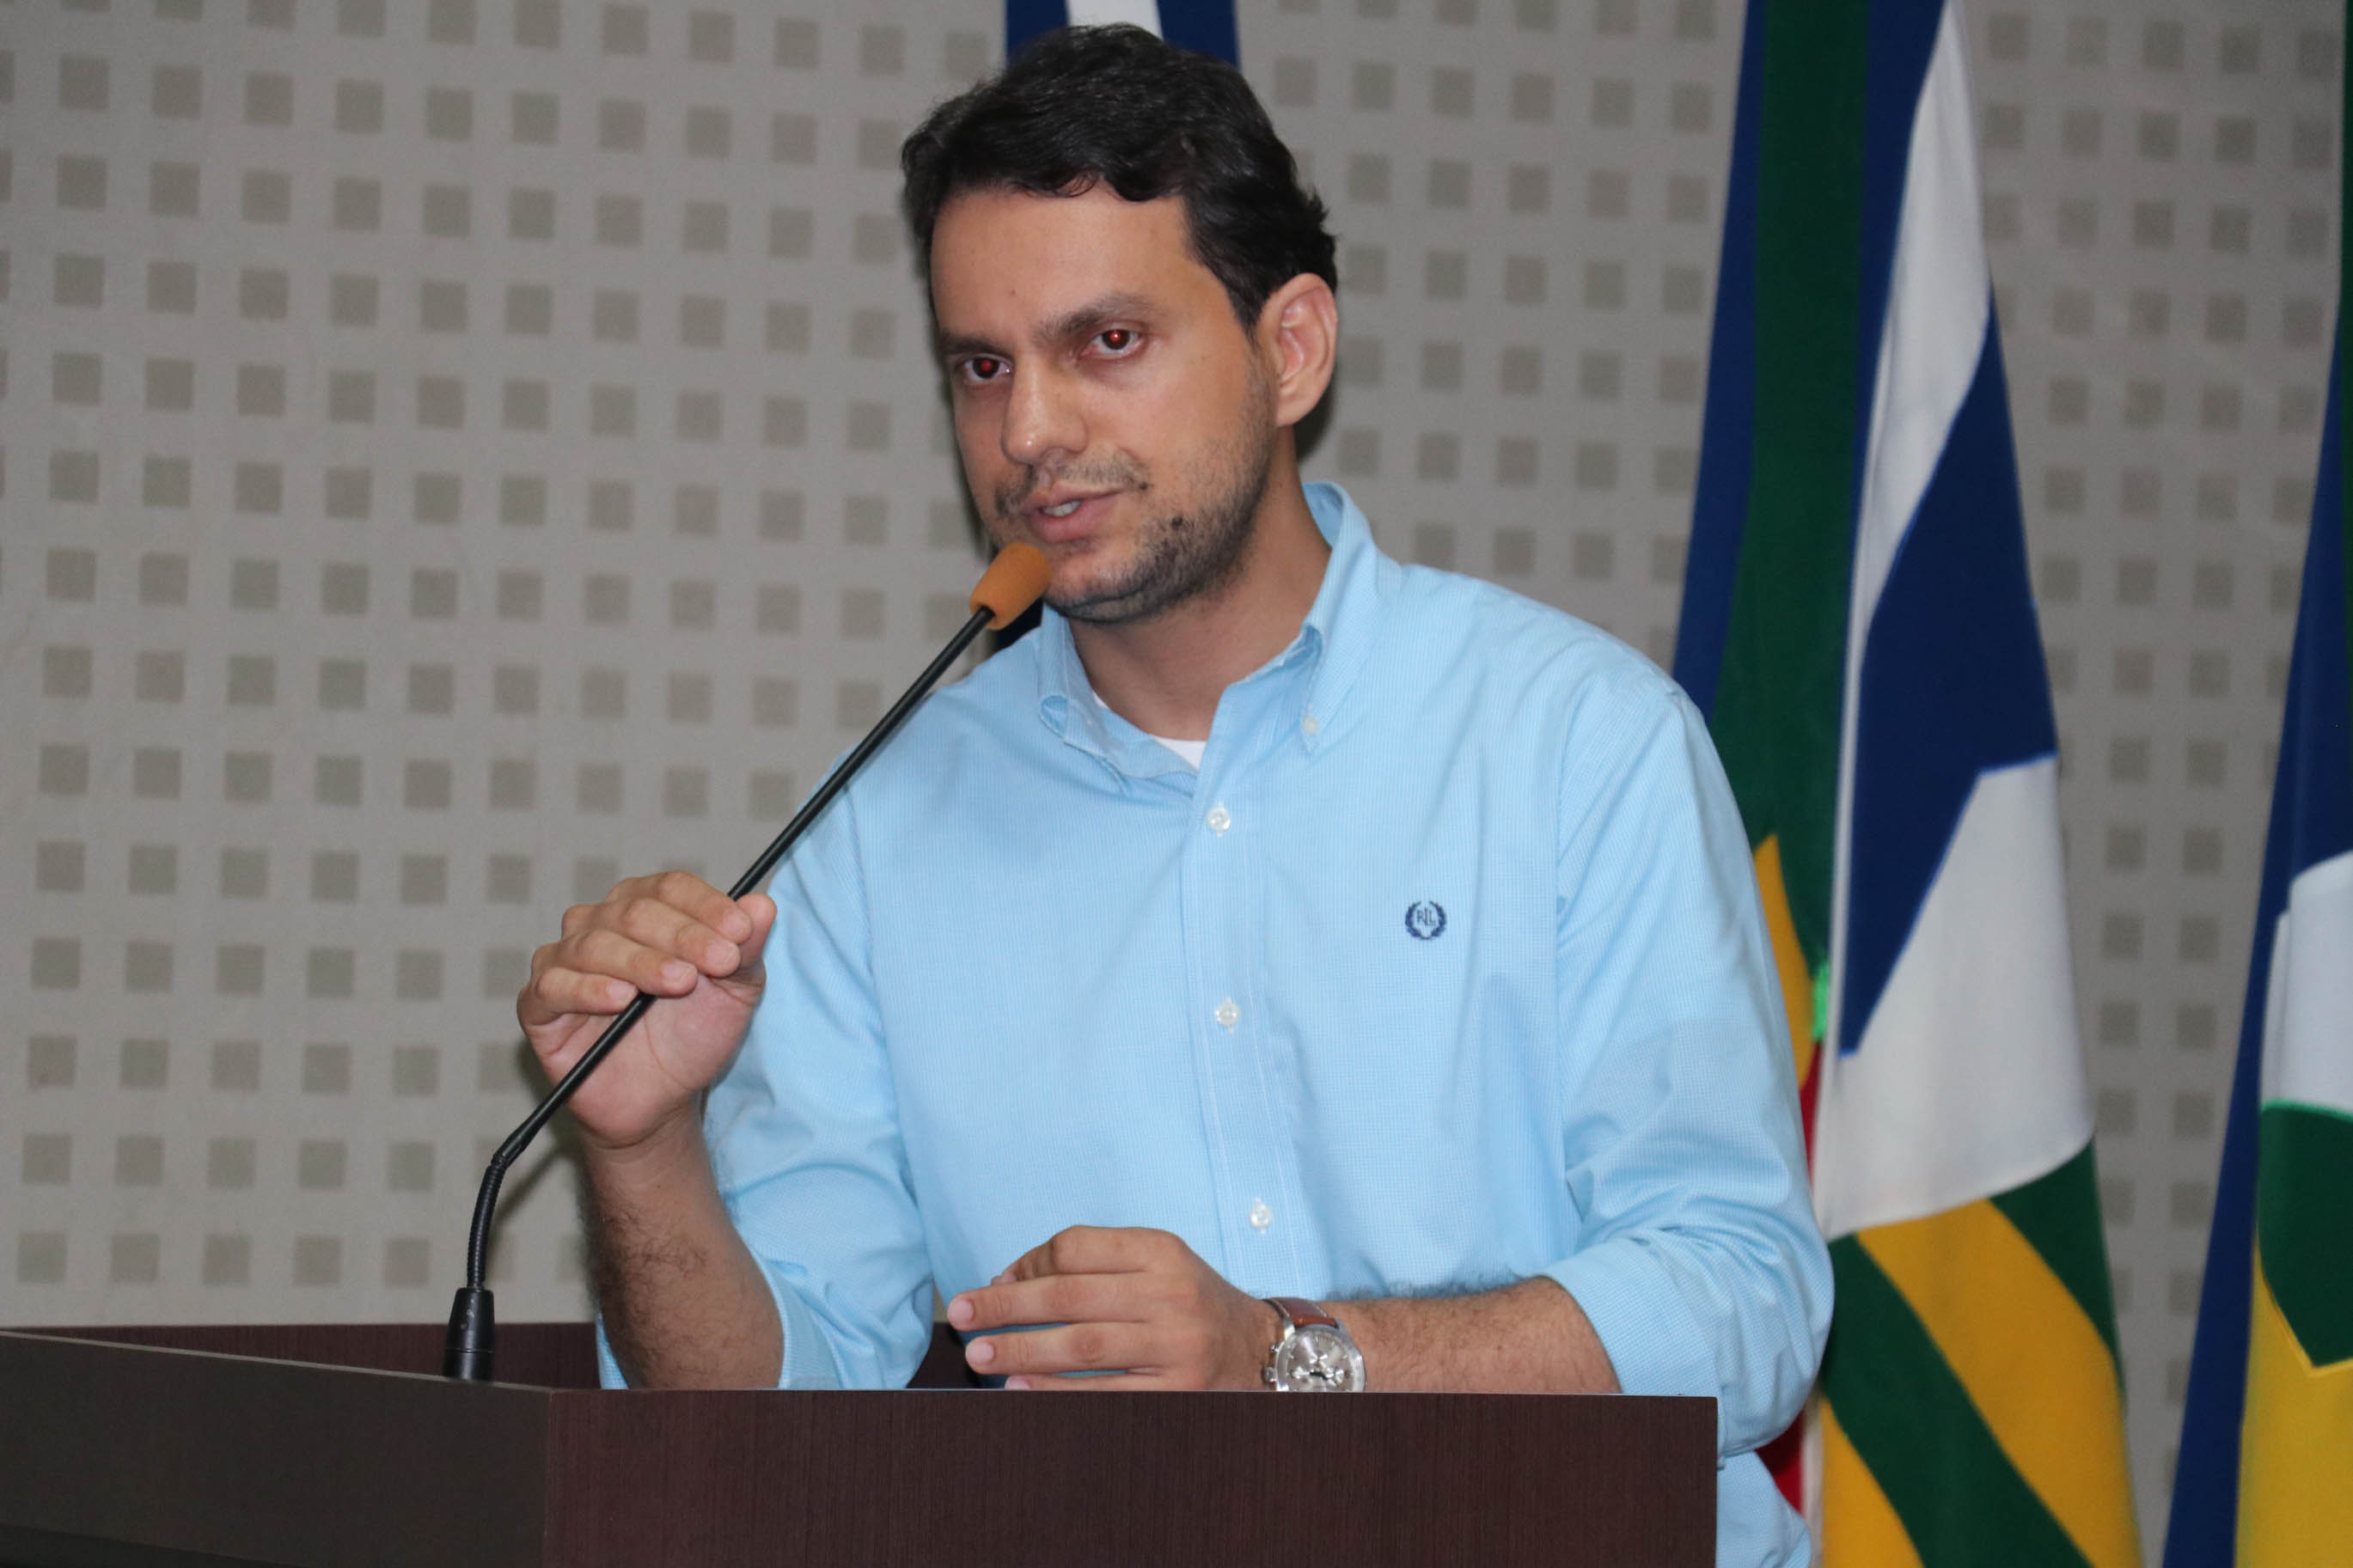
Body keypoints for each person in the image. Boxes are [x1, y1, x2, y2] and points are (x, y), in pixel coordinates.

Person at [518, 25, 1829, 1567]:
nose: (1028, 435)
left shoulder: (1574, 744)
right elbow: (769, 1430)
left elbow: (1742, 1304)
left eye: (1107, 342)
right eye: (982, 366)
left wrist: (1290, 1356)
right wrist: (644, 1149)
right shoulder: (876, 830)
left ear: (1292, 351)